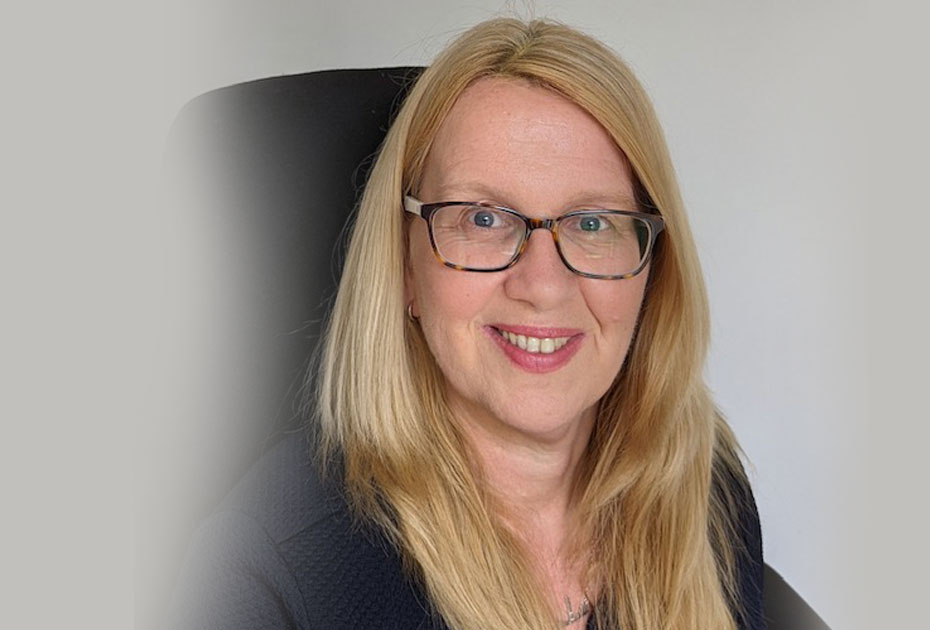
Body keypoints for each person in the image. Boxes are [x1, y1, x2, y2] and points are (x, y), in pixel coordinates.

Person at [168, 17, 764, 630]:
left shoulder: (700, 487)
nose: (542, 285)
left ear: (652, 271)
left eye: (591, 223)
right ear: (403, 265)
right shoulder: (270, 569)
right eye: (482, 219)